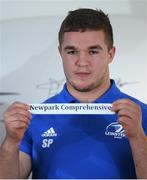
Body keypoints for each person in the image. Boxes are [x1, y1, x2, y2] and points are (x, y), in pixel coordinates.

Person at [0, 8, 147, 179]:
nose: (82, 62)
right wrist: (11, 142)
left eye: (93, 51)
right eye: (72, 51)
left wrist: (138, 139)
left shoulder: (142, 115)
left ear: (110, 54)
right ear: (60, 53)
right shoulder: (35, 117)